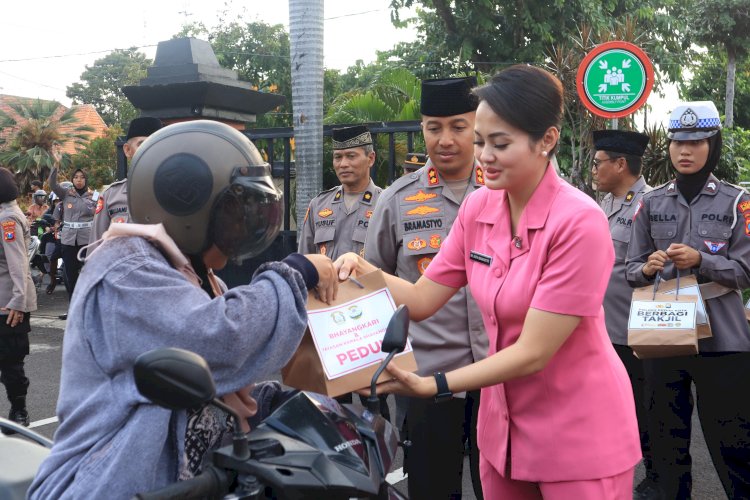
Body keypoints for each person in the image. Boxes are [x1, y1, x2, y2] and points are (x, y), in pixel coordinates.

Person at [338, 65, 641, 498]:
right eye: (480, 141)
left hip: (578, 432)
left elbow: (534, 352)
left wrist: (434, 384)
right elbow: (422, 299)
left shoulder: (579, 222)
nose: (484, 156)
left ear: (547, 140)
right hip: (503, 432)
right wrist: (361, 270)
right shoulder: (479, 208)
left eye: (500, 143)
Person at [28, 120, 338, 500]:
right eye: (235, 214)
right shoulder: (127, 271)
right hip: (106, 486)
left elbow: (219, 378)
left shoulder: (196, 276)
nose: (244, 226)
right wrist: (299, 272)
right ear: (185, 204)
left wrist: (275, 399)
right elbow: (218, 339)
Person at [363, 76, 487, 500]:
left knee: (506, 487)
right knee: (433, 488)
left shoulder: (508, 190)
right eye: (434, 127)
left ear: (479, 126)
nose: (445, 139)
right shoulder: (397, 199)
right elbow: (372, 284)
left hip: (501, 372)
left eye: (458, 126)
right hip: (426, 377)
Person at [625, 101, 750, 500]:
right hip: (663, 335)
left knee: (734, 443)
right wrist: (648, 268)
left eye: (696, 142)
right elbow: (630, 268)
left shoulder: (736, 202)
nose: (685, 150)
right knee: (666, 443)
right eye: (679, 142)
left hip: (724, 342)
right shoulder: (652, 202)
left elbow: (745, 271)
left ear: (711, 146)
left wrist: (703, 261)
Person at [591, 129, 657, 498]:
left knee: (645, 409)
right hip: (604, 330)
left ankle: (654, 475)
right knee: (611, 410)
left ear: (621, 164)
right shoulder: (604, 205)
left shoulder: (650, 204)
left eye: (600, 162)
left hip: (635, 332)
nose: (594, 169)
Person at [297, 125, 381, 259]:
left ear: (370, 159)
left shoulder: (384, 205)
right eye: (338, 157)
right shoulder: (319, 205)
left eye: (351, 156)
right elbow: (304, 261)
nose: (343, 164)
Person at [0, 167, 37, 429]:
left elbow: (18, 264)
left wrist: (18, 302)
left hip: (8, 304)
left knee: (11, 363)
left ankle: (19, 411)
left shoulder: (8, 219)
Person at [89, 116, 163, 246]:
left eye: (155, 143)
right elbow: (96, 246)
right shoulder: (111, 196)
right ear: (127, 150)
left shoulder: (173, 193)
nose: (149, 149)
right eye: (142, 144)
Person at [48, 151, 96, 301]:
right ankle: (73, 306)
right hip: (68, 241)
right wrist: (56, 164)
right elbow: (52, 184)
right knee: (70, 275)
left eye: (82, 177)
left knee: (89, 274)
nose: (79, 180)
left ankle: (88, 305)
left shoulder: (95, 196)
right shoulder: (66, 194)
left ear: (86, 180)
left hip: (87, 241)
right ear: (72, 180)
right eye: (76, 177)